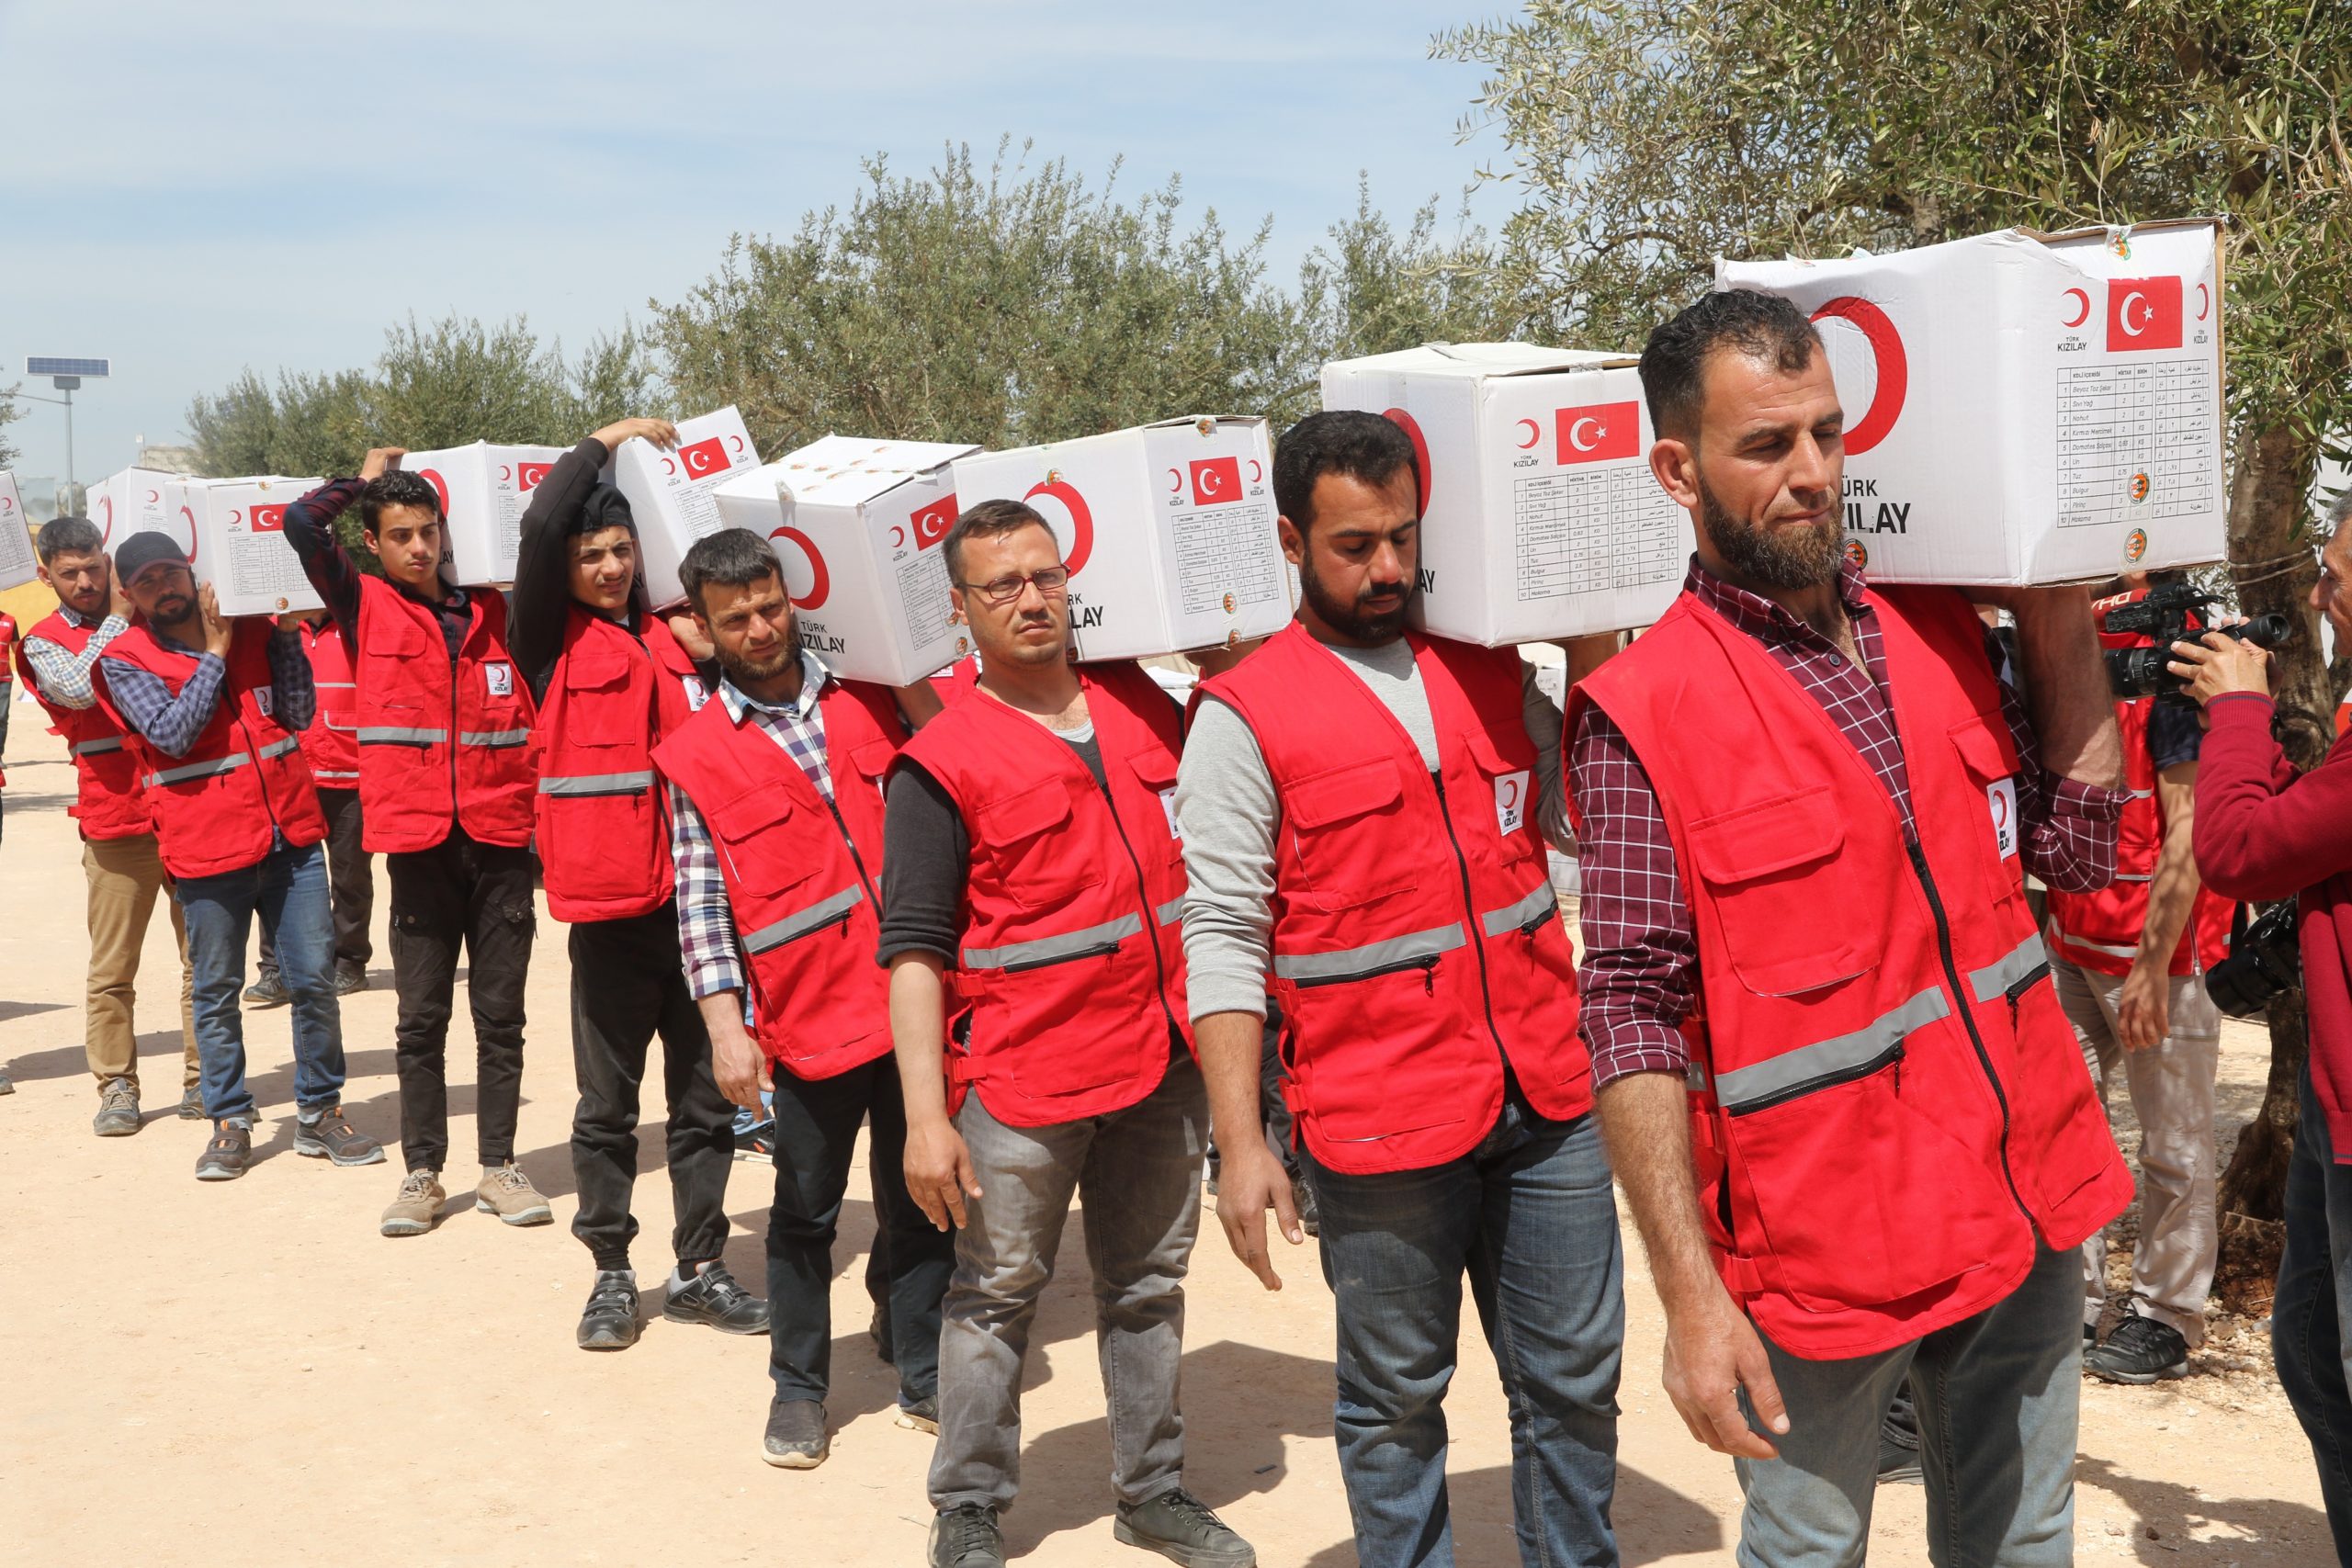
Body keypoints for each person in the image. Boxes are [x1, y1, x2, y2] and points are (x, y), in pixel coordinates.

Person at [1568, 288, 2132, 1564]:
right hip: (1820, 1252)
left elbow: (2079, 853)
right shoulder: (1643, 711)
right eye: (1768, 445)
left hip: (2024, 1195)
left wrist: (2056, 610)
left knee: (2024, 1540)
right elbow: (1629, 1012)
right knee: (1809, 1555)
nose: (1815, 472)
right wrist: (1690, 1298)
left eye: (1827, 433)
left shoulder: (1939, 631)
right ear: (1678, 470)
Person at [1181, 409, 1624, 1568]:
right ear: (1290, 541)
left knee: (1575, 1386)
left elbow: (1582, 821)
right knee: (1394, 1405)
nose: (1386, 569)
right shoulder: (1242, 717)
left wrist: (1589, 650)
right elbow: (1222, 936)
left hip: (1548, 1096)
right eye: (1353, 546)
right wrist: (1241, 1142)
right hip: (1379, 1127)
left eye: (1402, 538)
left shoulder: (1486, 665)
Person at [885, 500, 1255, 1568]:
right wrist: (925, 1121)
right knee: (996, 1296)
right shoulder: (939, 761)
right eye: (1001, 584)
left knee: (1147, 1288)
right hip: (1025, 1083)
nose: (1030, 598)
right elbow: (913, 955)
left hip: (1163, 1062)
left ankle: (1153, 1491)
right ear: (961, 610)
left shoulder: (1149, 707)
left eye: (1044, 575)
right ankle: (968, 1506)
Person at [650, 526, 953, 1464]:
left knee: (924, 1197)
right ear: (702, 628)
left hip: (915, 1004)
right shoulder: (695, 753)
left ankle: (922, 1366)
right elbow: (702, 904)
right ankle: (798, 1390)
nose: (760, 629)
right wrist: (725, 1029)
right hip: (811, 1021)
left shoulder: (873, 696)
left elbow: (958, 763)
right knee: (804, 1216)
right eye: (736, 617)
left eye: (771, 607)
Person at [507, 420, 767, 1351]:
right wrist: (604, 442)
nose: (610, 567)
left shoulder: (676, 637)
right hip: (610, 918)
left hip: (696, 913)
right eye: (591, 556)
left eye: (621, 550)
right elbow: (540, 527)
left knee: (706, 1104)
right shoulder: (544, 639)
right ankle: (612, 1272)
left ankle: (699, 1268)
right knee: (606, 1110)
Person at [284, 449, 548, 1236]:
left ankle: (499, 1167)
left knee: (500, 1018)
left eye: (428, 531)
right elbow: (301, 523)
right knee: (421, 1020)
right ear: (373, 542)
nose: (420, 547)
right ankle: (422, 1174)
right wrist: (364, 479)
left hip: (500, 841)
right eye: (401, 535)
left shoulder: (493, 609)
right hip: (419, 843)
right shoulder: (363, 604)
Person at [2173, 491, 2352, 1558]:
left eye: (2335, 576)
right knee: (2311, 1354)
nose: (2318, 595)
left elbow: (2239, 851)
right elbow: (2305, 830)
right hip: (2333, 1103)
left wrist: (2237, 713)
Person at [92, 533, 381, 1180]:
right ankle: (228, 1119)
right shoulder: (124, 659)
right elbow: (171, 734)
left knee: (314, 982)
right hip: (208, 849)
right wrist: (216, 653)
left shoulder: (253, 626)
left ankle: (321, 1113)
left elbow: (298, 714)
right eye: (147, 582)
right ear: (129, 594)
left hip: (291, 839)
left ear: (191, 572)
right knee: (217, 992)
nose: (164, 589)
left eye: (171, 573)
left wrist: (285, 634)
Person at [2042, 576, 2233, 1383]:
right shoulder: (2068, 627)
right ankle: (2073, 1298)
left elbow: (2188, 827)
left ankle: (2167, 1313)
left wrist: (2154, 966)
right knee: (2063, 1126)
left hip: (2163, 956)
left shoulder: (2175, 644)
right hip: (2072, 938)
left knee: (2174, 1144)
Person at [15, 515, 201, 1133]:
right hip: (116, 820)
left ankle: (205, 1078)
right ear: (45, 575)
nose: (87, 582)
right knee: (114, 969)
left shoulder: (157, 616)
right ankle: (117, 1086)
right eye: (70, 573)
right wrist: (122, 621)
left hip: (187, 811)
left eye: (94, 567)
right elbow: (76, 689)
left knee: (204, 959)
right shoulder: (42, 641)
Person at [246, 612, 375, 1006]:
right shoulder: (273, 627)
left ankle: (349, 962)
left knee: (350, 877)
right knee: (278, 876)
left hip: (351, 777)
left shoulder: (357, 623)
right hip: (292, 776)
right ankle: (276, 969)